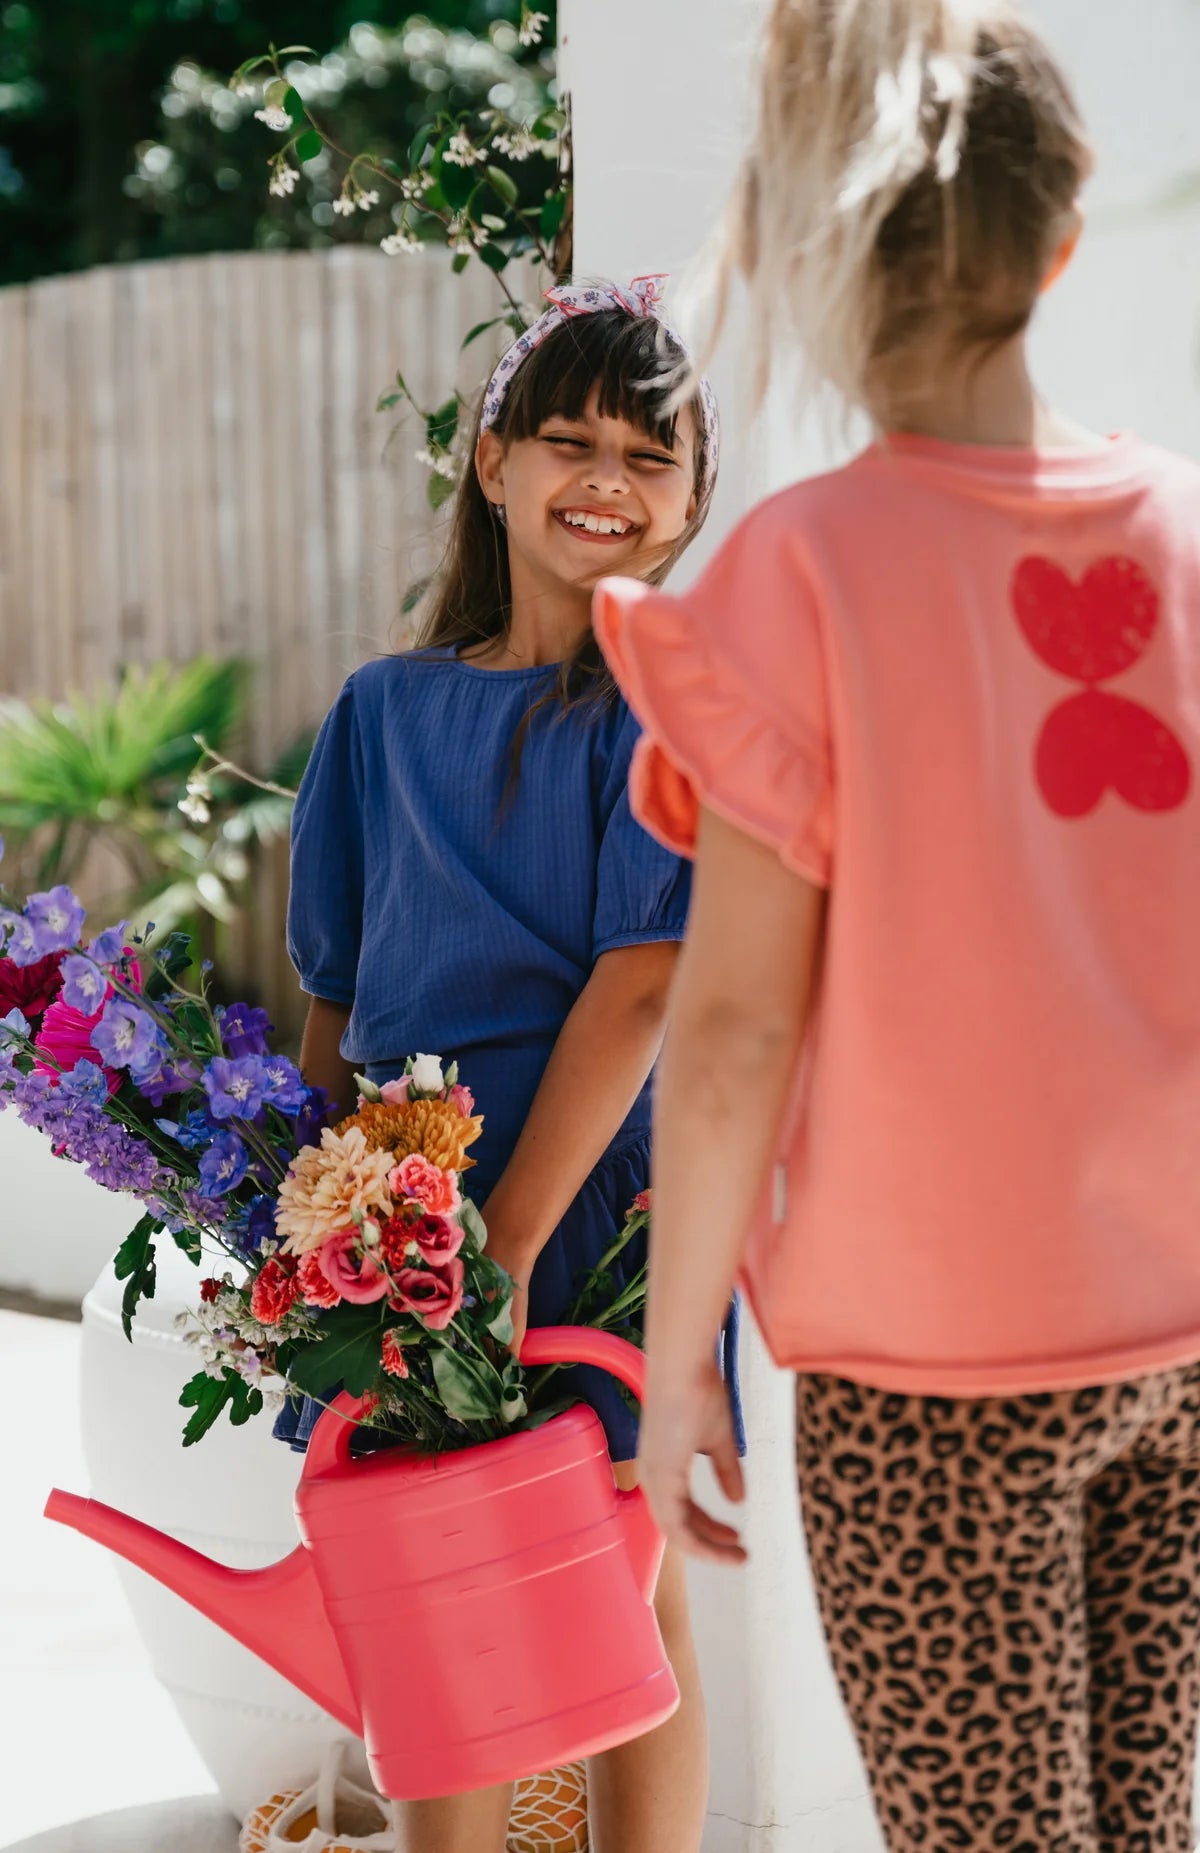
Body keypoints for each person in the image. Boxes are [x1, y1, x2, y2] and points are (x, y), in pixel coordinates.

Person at [595, 6, 1200, 1849]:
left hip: (930, 1384)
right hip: (1176, 1339)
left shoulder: (808, 573)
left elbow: (732, 1037)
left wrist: (680, 1356)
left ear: (804, 254)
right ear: (1064, 235)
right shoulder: (1182, 536)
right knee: (1136, 1825)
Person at [282, 276, 737, 1853]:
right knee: (435, 1592)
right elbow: (330, 997)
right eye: (568, 438)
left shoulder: (665, 705)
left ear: (691, 499)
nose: (605, 476)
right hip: (403, 1217)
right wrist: (323, 1219)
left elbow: (640, 981)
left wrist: (514, 1232)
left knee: (620, 1581)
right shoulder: (382, 714)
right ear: (492, 462)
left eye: (649, 452)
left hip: (595, 1208)